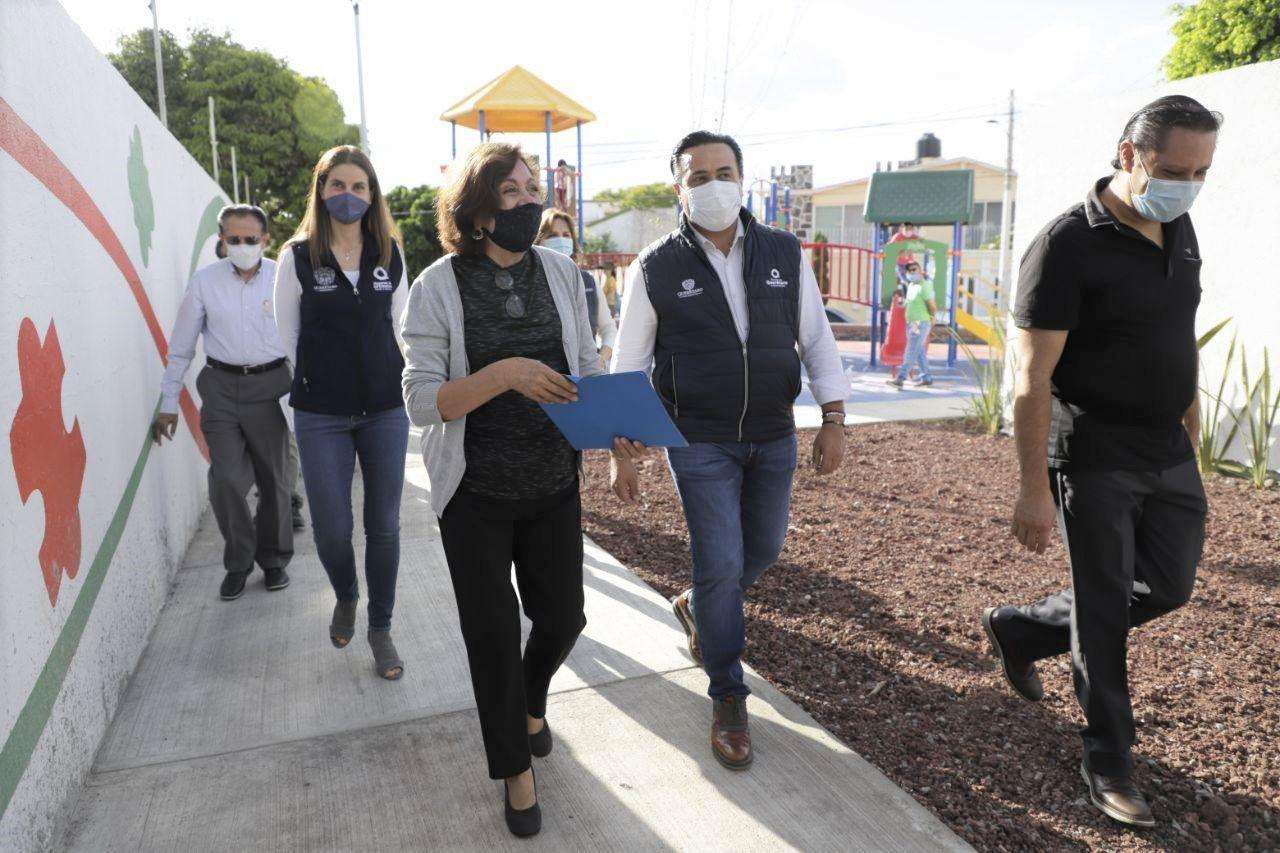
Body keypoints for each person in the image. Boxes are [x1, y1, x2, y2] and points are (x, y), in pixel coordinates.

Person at [982, 95, 1220, 829]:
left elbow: (1175, 335)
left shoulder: (1179, 229)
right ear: (1128, 155)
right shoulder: (1065, 245)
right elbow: (1031, 377)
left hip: (1168, 445)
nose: (1187, 184)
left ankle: (1022, 630)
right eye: (1174, 168)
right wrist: (1031, 489)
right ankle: (1108, 757)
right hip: (1094, 451)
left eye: (1202, 171)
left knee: (1170, 584)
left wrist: (1191, 423)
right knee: (1104, 610)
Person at [401, 142, 638, 838]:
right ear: (476, 213)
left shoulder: (564, 273)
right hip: (473, 494)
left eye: (532, 188)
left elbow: (587, 366)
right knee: (494, 637)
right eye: (510, 192)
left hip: (553, 483)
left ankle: (530, 701)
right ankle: (516, 769)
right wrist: (505, 372)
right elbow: (422, 402)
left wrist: (617, 434)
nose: (528, 201)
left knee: (565, 618)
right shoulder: (437, 286)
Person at [610, 130, 850, 771]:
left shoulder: (782, 251)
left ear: (742, 178)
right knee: (721, 564)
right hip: (699, 440)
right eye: (697, 177)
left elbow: (817, 339)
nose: (712, 185)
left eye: (723, 172)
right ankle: (728, 693)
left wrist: (833, 416)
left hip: (774, 433)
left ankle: (699, 607)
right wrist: (622, 451)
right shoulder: (655, 266)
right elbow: (628, 363)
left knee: (762, 550)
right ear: (678, 188)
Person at [274, 145, 411, 681]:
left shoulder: (390, 252)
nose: (348, 195)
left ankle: (380, 628)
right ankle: (346, 594)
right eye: (338, 186)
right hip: (320, 413)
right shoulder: (298, 256)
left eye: (358, 186)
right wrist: (315, 381)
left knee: (384, 526)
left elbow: (403, 330)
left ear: (371, 194)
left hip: (384, 410)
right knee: (332, 528)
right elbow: (288, 335)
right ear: (322, 191)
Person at [152, 205, 293, 601]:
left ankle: (275, 560)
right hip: (222, 388)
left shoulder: (282, 279)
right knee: (227, 480)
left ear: (266, 240)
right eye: (234, 239)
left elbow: (299, 337)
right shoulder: (204, 283)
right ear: (221, 241)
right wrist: (168, 401)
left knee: (277, 481)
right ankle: (238, 563)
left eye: (251, 239)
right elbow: (180, 347)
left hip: (272, 386)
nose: (243, 246)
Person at [535, 208, 617, 368]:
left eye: (566, 235)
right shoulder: (532, 283)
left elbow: (608, 329)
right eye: (552, 235)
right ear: (538, 240)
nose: (561, 240)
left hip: (586, 380)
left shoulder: (589, 282)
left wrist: (601, 358)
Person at [888, 260, 936, 388]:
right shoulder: (911, 286)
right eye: (909, 271)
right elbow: (909, 303)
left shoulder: (924, 286)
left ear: (920, 270)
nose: (912, 272)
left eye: (914, 269)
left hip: (920, 322)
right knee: (918, 350)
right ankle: (927, 377)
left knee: (911, 350)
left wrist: (932, 318)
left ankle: (901, 378)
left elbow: (932, 306)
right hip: (911, 323)